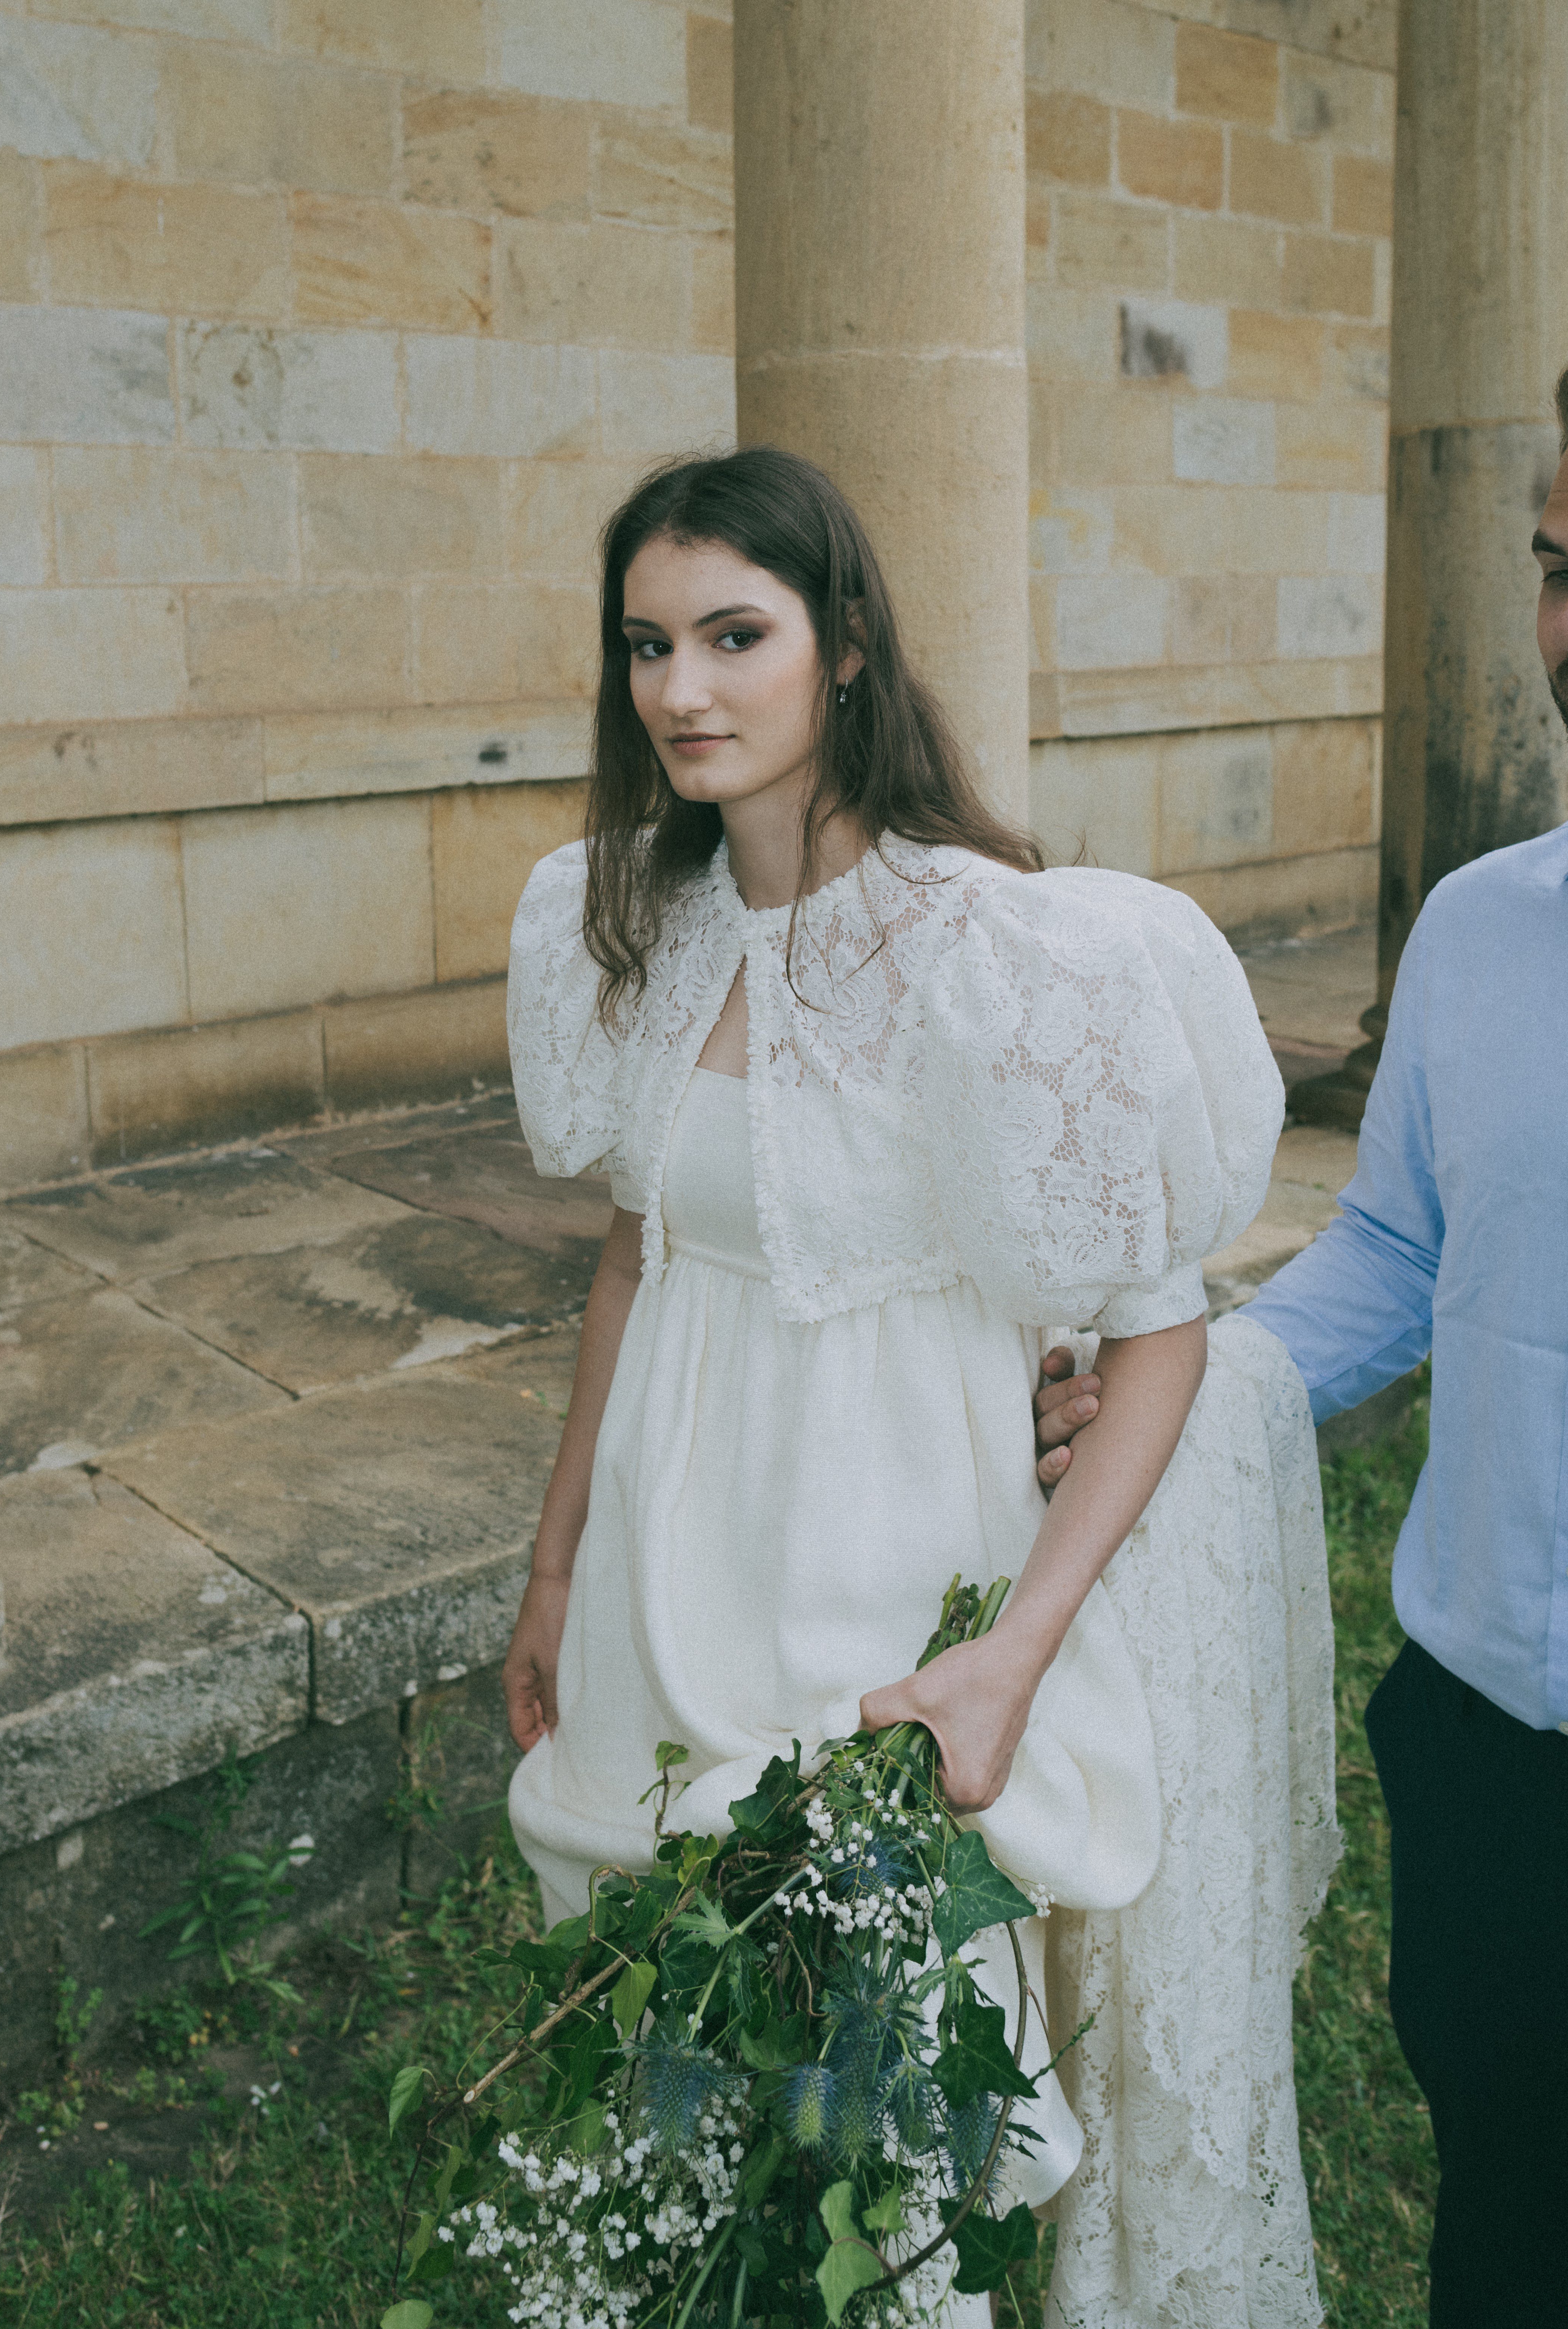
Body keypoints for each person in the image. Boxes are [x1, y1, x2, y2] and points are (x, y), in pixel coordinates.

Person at [500, 446, 1340, 2327]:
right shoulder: (622, 920)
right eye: (648, 646)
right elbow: (634, 1259)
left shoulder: (1003, 954)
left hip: (896, 1600)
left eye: (736, 634)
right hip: (666, 1573)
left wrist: (1016, 1653)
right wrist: (554, 1568)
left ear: (848, 647)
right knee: (691, 2108)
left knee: (888, 2152)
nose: (682, 691)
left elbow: (1160, 1324)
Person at [1037, 374, 1568, 2327]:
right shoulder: (1483, 938)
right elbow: (1396, 1255)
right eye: (1556, 568)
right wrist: (1163, 1395)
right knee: (1509, 2227)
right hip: (1489, 1751)